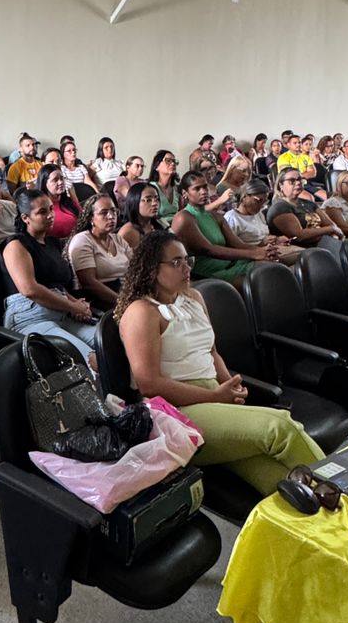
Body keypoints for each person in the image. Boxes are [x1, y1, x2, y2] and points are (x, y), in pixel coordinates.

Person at [116, 230, 324, 498]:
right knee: (281, 427)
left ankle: (327, 509)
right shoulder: (142, 312)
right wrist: (215, 396)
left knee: (277, 476)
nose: (186, 268)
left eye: (187, 260)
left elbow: (212, 352)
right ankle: (346, 488)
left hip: (212, 395)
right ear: (152, 269)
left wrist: (229, 385)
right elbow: (149, 384)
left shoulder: (193, 298)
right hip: (175, 414)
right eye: (176, 262)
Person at [0, 186, 98, 353]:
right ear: (25, 218)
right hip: (30, 316)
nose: (50, 215)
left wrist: (77, 305)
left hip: (60, 311)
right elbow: (29, 290)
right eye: (42, 212)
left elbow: (56, 286)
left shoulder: (52, 243)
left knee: (109, 344)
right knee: (90, 359)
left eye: (51, 209)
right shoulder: (15, 244)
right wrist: (72, 306)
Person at [172, 171, 276, 283]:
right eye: (197, 189)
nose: (203, 192)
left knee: (273, 265)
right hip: (207, 274)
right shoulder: (183, 217)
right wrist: (254, 254)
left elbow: (237, 244)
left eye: (205, 187)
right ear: (185, 193)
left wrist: (263, 251)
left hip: (229, 264)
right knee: (266, 275)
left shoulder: (215, 216)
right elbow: (209, 249)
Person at [67, 193, 132, 309]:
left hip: (126, 292)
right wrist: (123, 302)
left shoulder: (117, 239)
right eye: (104, 213)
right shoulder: (83, 240)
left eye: (113, 211)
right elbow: (89, 284)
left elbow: (135, 268)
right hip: (101, 300)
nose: (111, 216)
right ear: (91, 218)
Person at [226, 181, 302, 265]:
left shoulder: (258, 214)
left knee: (306, 255)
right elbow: (231, 248)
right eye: (258, 201)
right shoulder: (232, 219)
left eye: (264, 202)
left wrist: (276, 240)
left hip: (268, 249)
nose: (261, 206)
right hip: (250, 257)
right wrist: (260, 245)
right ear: (245, 197)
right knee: (302, 257)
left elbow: (264, 236)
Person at [267, 169, 342, 245]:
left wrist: (332, 232)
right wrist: (329, 230)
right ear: (281, 185)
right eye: (292, 181)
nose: (298, 183)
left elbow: (331, 225)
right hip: (303, 248)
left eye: (300, 179)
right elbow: (299, 236)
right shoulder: (279, 207)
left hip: (325, 241)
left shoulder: (309, 203)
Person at [36, 164, 83, 240]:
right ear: (44, 184)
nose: (60, 182)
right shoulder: (40, 208)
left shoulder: (69, 202)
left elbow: (83, 220)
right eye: (55, 180)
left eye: (62, 178)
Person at [118, 181, 166, 254]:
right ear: (134, 202)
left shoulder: (157, 223)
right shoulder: (128, 232)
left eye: (156, 199)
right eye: (148, 200)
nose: (155, 203)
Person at [147, 149, 182, 222]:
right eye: (168, 161)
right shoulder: (151, 188)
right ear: (157, 166)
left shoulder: (176, 188)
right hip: (160, 225)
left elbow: (182, 212)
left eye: (174, 161)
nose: (173, 164)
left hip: (177, 224)